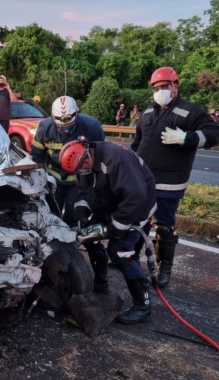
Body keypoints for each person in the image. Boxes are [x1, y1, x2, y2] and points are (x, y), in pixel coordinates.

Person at [132, 67, 219, 289]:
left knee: (163, 226)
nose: (160, 91)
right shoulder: (147, 112)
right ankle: (130, 258)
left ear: (175, 86)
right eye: (156, 88)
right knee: (137, 221)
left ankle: (164, 270)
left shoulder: (190, 111)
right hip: (143, 178)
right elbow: (137, 142)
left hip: (170, 181)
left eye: (164, 87)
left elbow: (214, 134)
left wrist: (187, 138)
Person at [60, 137, 157, 324]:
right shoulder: (84, 162)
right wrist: (82, 211)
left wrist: (115, 228)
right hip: (110, 204)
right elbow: (84, 190)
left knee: (120, 251)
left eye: (81, 168)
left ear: (86, 156)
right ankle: (101, 284)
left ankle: (143, 306)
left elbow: (135, 197)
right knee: (88, 237)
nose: (81, 172)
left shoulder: (116, 159)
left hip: (136, 209)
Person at [30, 96, 105, 226]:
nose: (65, 131)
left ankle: (69, 239)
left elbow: (100, 156)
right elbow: (37, 157)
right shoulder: (44, 128)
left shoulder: (92, 127)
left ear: (76, 115)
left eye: (69, 127)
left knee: (72, 214)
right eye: (60, 127)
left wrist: (92, 182)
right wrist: (41, 180)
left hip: (79, 181)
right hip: (53, 179)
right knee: (51, 213)